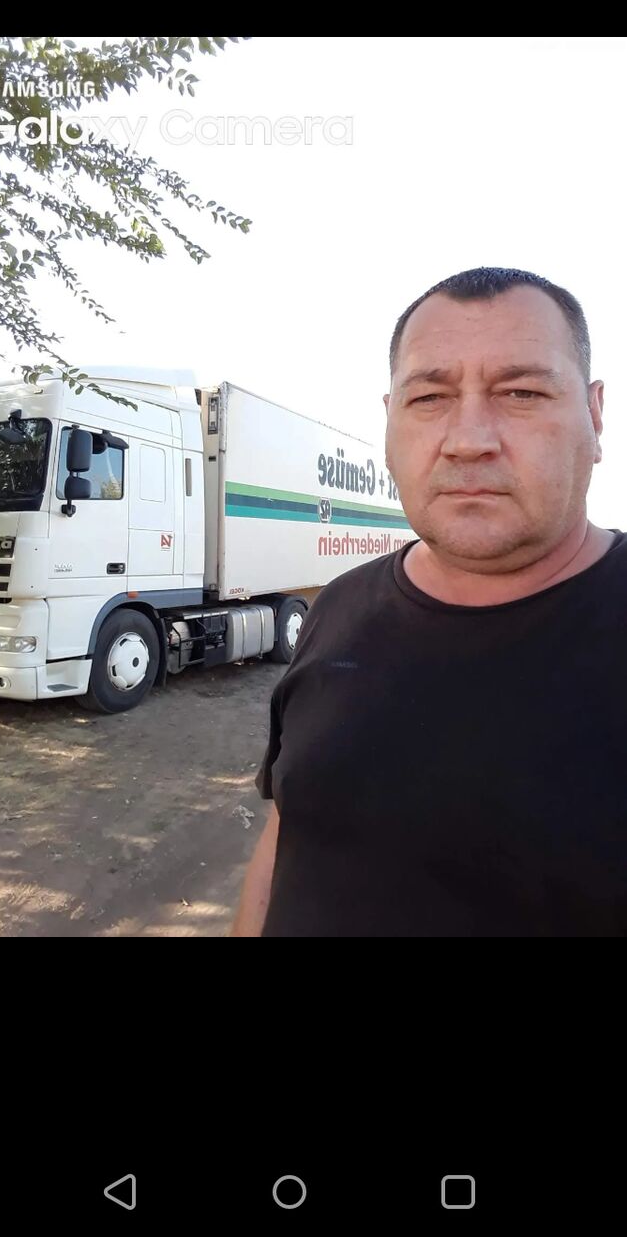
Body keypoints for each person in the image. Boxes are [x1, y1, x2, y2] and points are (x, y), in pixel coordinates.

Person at [230, 267, 627, 937]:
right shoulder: (337, 607)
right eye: (430, 398)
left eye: (522, 392)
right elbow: (286, 834)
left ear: (593, 414)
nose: (468, 439)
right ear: (390, 422)